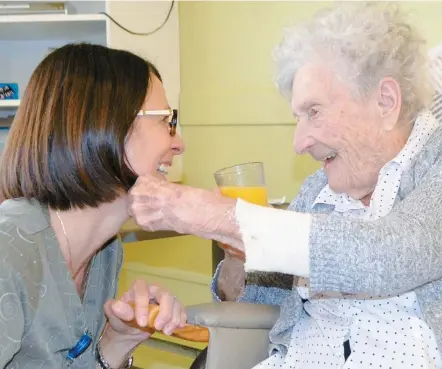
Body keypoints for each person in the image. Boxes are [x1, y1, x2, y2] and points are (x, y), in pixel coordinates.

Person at [128, 2, 442, 368]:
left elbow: (391, 256)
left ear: (385, 102)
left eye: (314, 112)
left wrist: (224, 217)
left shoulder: (434, 165)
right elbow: (262, 304)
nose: (299, 142)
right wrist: (236, 255)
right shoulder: (317, 190)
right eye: (298, 117)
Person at [0, 43, 186, 368]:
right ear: (105, 123)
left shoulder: (106, 254)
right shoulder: (9, 250)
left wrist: (119, 341)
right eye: (165, 121)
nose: (178, 143)